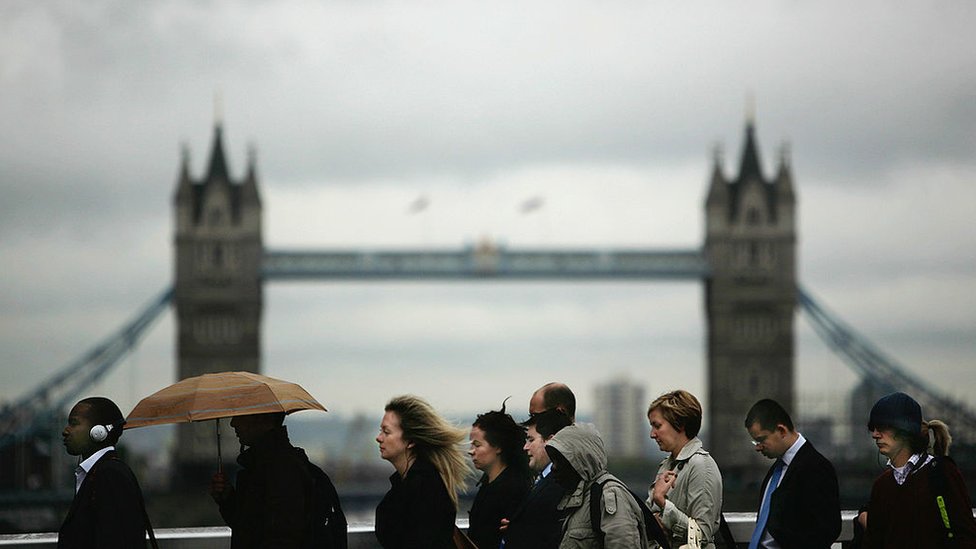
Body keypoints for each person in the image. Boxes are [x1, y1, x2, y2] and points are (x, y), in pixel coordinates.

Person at [860, 392, 976, 548]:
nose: (875, 434)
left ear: (904, 429)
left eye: (882, 427)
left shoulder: (941, 473)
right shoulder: (882, 485)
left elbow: (964, 535)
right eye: (873, 428)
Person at [211, 411, 342, 548]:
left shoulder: (280, 469)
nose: (233, 423)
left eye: (240, 415)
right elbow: (252, 529)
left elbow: (281, 537)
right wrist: (228, 500)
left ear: (261, 417)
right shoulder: (267, 466)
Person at [374, 395, 471, 549]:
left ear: (411, 441)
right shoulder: (408, 483)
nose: (379, 438)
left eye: (386, 432)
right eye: (381, 431)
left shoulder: (425, 488)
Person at [58, 396, 155, 548]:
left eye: (74, 423)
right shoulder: (100, 472)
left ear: (99, 432)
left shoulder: (109, 475)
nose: (65, 431)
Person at [743, 398, 841, 549]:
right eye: (755, 442)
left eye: (761, 440)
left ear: (781, 430)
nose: (758, 447)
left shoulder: (816, 467)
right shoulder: (777, 470)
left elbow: (826, 530)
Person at [545, 423, 648, 549]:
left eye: (560, 460)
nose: (553, 468)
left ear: (582, 459)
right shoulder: (578, 498)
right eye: (553, 461)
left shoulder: (609, 495)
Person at [646, 390, 723, 549]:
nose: (652, 434)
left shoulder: (701, 465)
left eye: (657, 426)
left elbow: (701, 535)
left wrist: (662, 503)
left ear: (680, 424)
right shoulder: (668, 464)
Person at [502, 408, 573, 549]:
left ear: (551, 441)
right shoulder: (545, 480)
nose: (525, 447)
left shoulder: (561, 484)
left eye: (531, 440)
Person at [467, 402, 532, 549]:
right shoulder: (489, 484)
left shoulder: (513, 489)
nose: (471, 451)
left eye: (477, 445)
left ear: (498, 447)